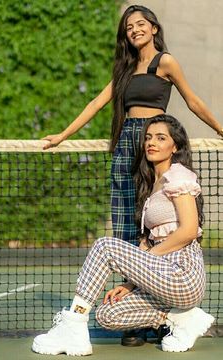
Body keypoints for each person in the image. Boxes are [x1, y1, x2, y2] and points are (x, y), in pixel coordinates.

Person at [42, 4, 223, 345]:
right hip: (126, 144)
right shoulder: (125, 70)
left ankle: (160, 309)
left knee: (150, 223)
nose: (135, 29)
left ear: (154, 28)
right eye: (129, 27)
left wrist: (219, 127)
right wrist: (62, 135)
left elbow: (193, 99)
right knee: (126, 225)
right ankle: (138, 318)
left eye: (141, 24)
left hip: (148, 141)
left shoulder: (165, 62)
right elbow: (95, 104)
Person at [32, 115, 214, 356]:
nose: (152, 142)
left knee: (105, 246)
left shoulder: (178, 175)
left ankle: (73, 324)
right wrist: (130, 284)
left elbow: (189, 230)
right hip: (161, 275)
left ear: (176, 146)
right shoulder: (151, 183)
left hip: (182, 273)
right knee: (108, 314)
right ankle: (182, 318)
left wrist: (147, 257)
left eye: (161, 138)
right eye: (148, 137)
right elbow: (147, 245)